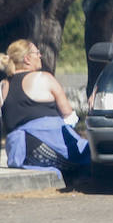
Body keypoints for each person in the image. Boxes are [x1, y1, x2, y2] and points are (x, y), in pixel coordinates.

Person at [2, 39, 90, 179]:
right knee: (89, 158)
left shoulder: (4, 85)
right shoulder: (43, 78)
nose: (40, 56)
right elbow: (68, 115)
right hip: (43, 146)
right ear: (27, 58)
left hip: (18, 153)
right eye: (37, 53)